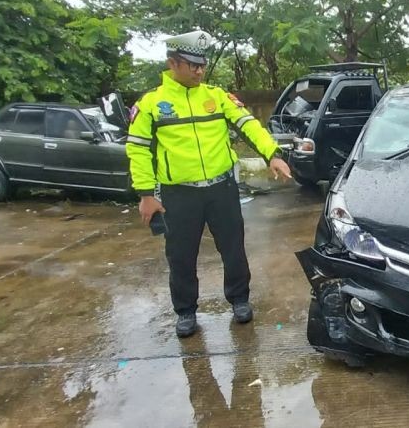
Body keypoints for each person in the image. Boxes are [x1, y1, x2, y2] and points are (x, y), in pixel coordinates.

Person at [125, 30, 292, 337]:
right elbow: (137, 150)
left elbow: (249, 125)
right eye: (192, 65)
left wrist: (273, 154)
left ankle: (240, 299)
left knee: (233, 248)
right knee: (181, 255)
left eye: (201, 64)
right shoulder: (151, 104)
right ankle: (186, 311)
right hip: (179, 194)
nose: (199, 70)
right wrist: (146, 194)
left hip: (221, 189)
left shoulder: (216, 97)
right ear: (173, 63)